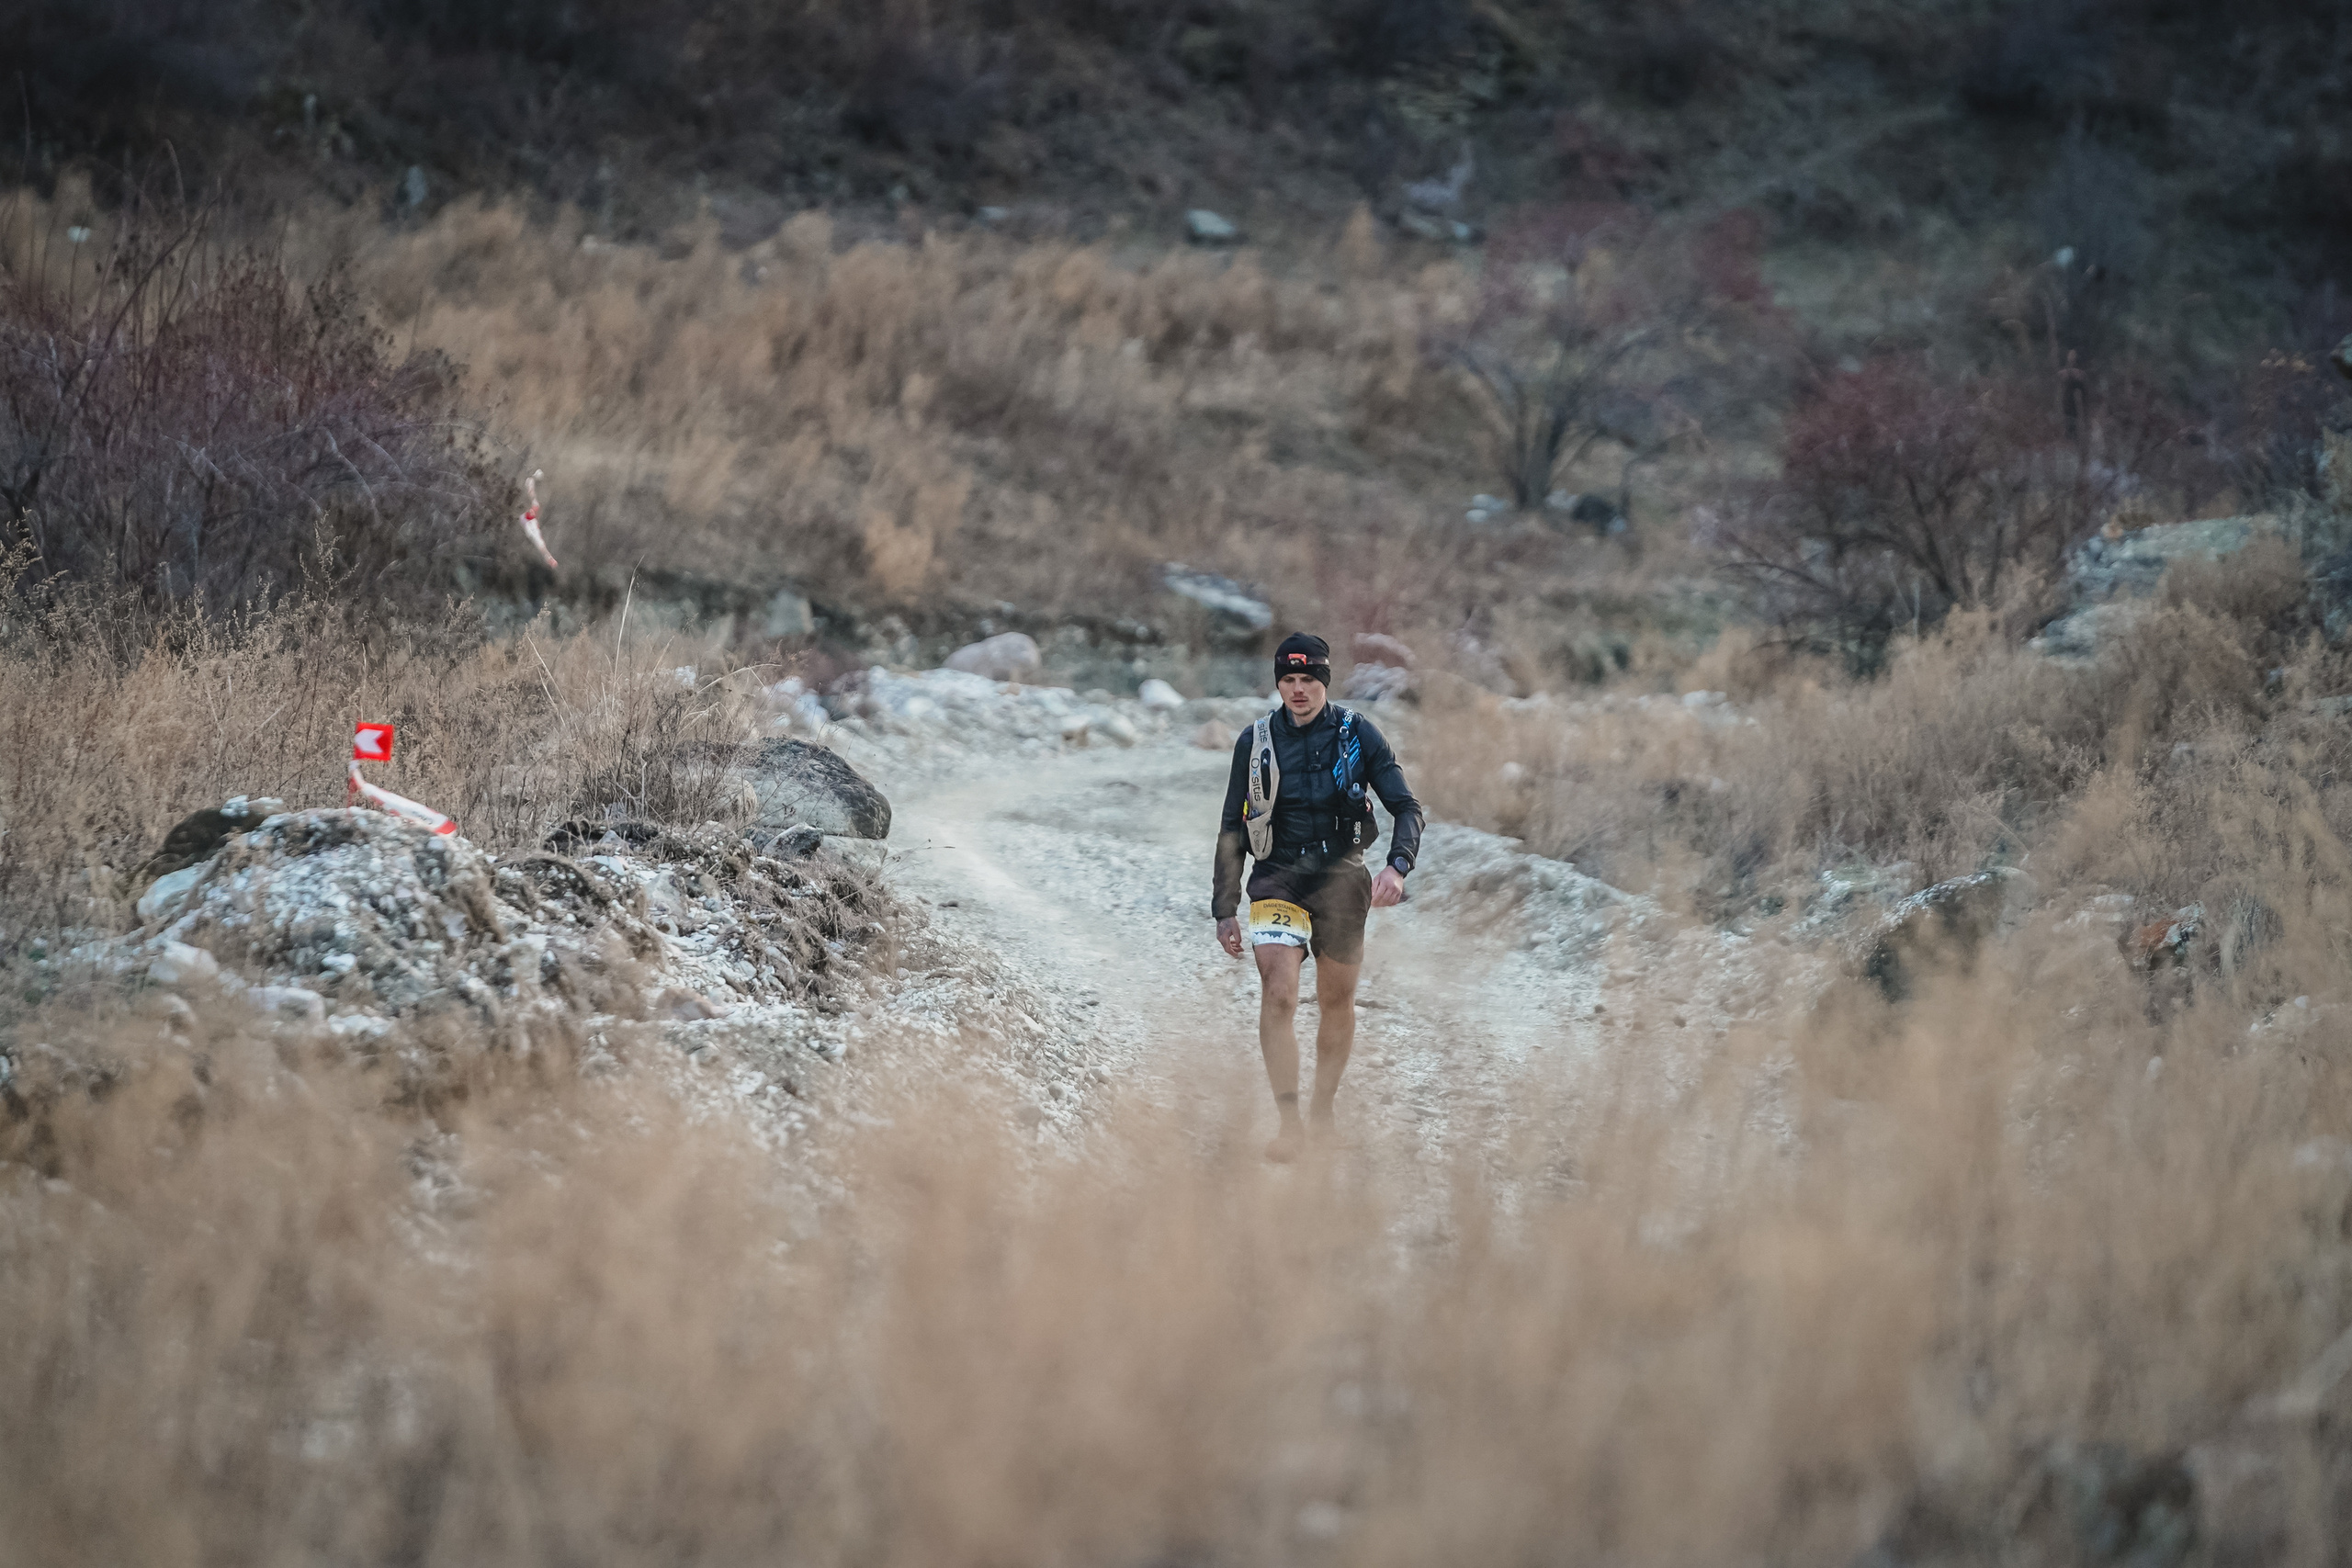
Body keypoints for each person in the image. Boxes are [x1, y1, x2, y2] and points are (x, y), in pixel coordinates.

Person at [1213, 632, 1424, 1162]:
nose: (1299, 690)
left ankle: (1323, 1112)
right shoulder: (1255, 741)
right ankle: (1289, 1125)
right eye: (1289, 679)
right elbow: (1231, 826)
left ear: (1324, 681)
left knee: (1336, 1002)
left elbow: (1407, 808)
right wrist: (1225, 907)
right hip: (1276, 876)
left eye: (1309, 679)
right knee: (1280, 994)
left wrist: (1397, 869)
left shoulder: (1359, 734)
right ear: (1278, 683)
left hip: (1342, 878)